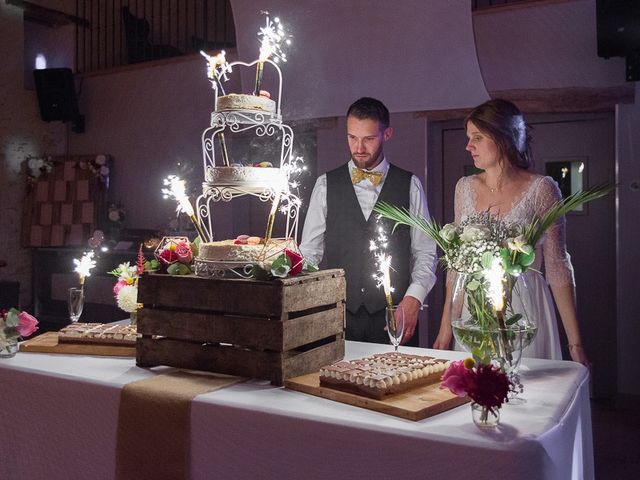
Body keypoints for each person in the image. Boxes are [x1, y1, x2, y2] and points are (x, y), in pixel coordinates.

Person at [432, 98, 590, 366]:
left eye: (477, 137)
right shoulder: (464, 187)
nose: (468, 146)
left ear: (503, 138)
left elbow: (557, 266)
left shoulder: (542, 189)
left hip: (525, 311)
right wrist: (446, 327)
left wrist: (575, 345)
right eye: (469, 137)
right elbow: (457, 266)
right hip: (474, 311)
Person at [300, 97, 437, 346]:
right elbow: (309, 253)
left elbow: (426, 253)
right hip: (338, 317)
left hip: (394, 317)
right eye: (352, 137)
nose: (359, 147)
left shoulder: (410, 185)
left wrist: (414, 299)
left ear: (387, 134)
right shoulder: (325, 184)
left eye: (369, 138)